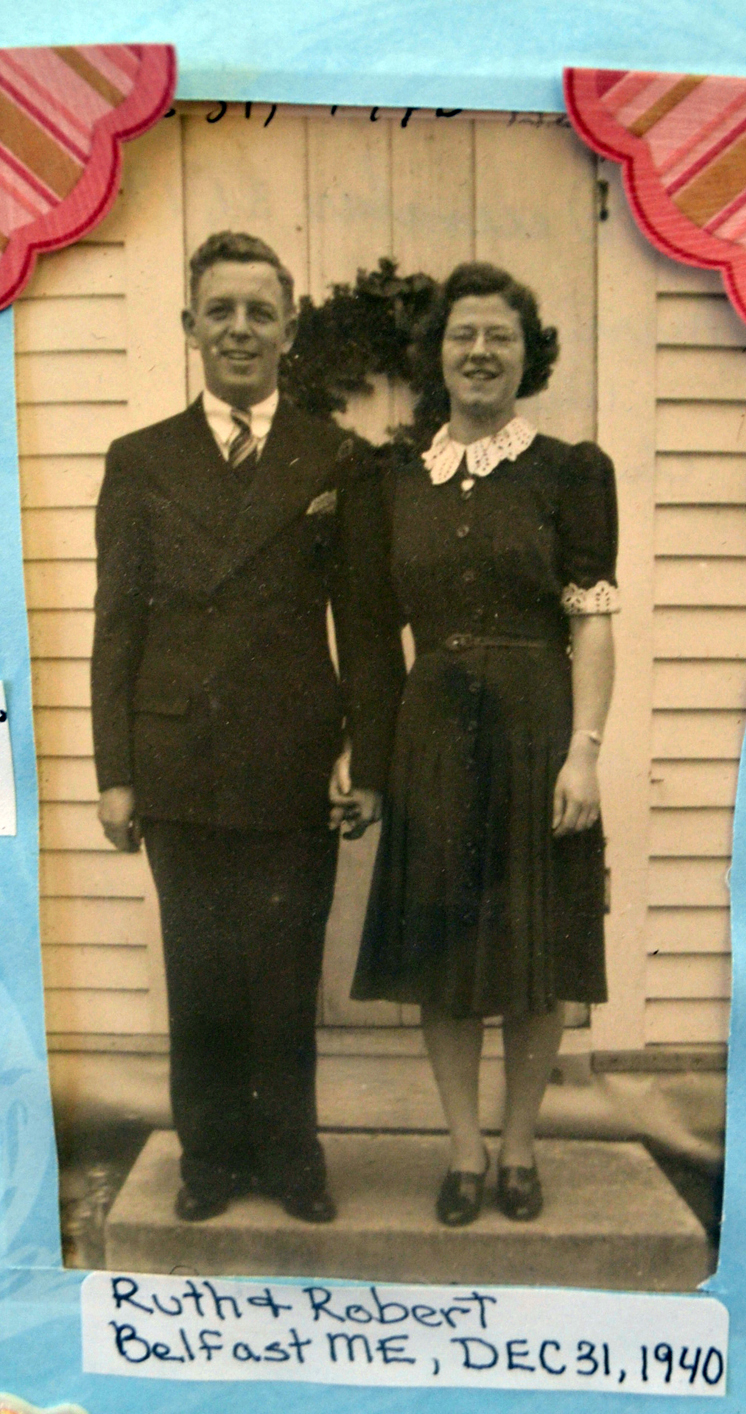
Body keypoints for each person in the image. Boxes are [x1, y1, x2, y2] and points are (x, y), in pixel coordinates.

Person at [91, 231, 404, 1225]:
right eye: (219, 310)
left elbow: (362, 626)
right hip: (174, 751)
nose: (238, 328)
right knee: (199, 964)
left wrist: (369, 761)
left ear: (288, 327)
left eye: (258, 311)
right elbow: (115, 625)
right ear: (190, 328)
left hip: (290, 752)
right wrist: (115, 772)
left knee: (282, 962)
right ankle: (211, 1156)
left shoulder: (335, 457)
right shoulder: (140, 459)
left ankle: (289, 1151)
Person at [351, 261, 618, 1226]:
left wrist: (583, 749)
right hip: (434, 731)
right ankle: (463, 1153)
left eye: (500, 335)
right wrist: (372, 765)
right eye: (463, 334)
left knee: (536, 951)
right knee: (445, 953)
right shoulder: (394, 480)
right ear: (437, 355)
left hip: (536, 727)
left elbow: (591, 621)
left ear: (527, 355)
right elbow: (377, 637)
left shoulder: (569, 473)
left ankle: (518, 1151)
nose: (479, 351)